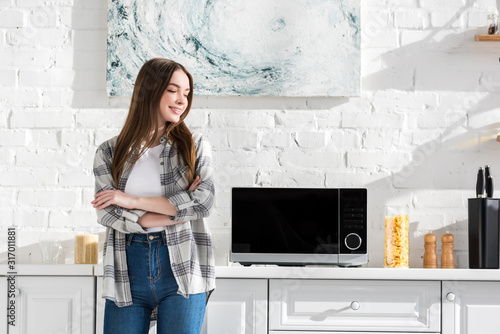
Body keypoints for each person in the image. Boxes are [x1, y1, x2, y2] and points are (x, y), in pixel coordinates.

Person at [91, 58, 215, 334]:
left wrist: (130, 201)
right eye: (173, 90)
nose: (182, 100)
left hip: (181, 266)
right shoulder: (109, 152)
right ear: (150, 90)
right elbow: (107, 212)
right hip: (127, 268)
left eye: (186, 93)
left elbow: (203, 201)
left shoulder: (194, 145)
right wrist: (174, 212)